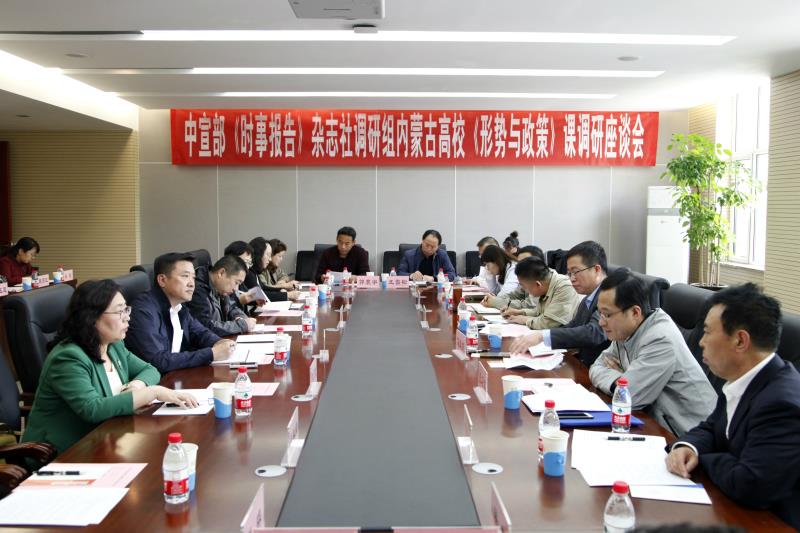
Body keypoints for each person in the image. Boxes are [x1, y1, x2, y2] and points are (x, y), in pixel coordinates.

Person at [666, 283, 800, 530]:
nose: (701, 341)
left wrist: (701, 458)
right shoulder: (744, 379)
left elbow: (751, 484)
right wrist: (688, 446)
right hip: (732, 508)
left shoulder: (782, 403)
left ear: (740, 340)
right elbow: (711, 427)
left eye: (707, 332)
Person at [22, 280, 198, 453]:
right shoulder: (68, 357)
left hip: (107, 440)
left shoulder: (113, 345)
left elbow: (150, 370)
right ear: (92, 318)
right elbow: (92, 409)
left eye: (126, 309)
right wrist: (152, 392)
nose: (127, 317)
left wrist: (137, 386)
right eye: (120, 311)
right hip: (63, 453)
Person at [589, 269, 716, 436]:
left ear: (635, 312)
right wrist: (623, 380)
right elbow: (596, 367)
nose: (601, 322)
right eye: (600, 313)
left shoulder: (660, 338)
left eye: (607, 314)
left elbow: (630, 397)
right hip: (654, 421)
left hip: (688, 434)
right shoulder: (624, 331)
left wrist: (622, 382)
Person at [126, 252, 235, 373]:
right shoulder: (143, 311)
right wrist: (211, 353)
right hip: (157, 380)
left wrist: (219, 342)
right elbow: (157, 361)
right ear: (162, 280)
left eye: (193, 277)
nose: (192, 283)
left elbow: (200, 333)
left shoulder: (179, 305)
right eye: (185, 276)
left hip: (176, 374)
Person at [510, 241, 610, 366]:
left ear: (596, 270)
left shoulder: (610, 296)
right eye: (569, 273)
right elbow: (573, 326)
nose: (572, 278)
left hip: (596, 368)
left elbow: (593, 333)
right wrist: (542, 339)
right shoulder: (588, 298)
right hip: (582, 364)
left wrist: (542, 336)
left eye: (576, 272)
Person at [498, 256, 581, 329]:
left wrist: (525, 320)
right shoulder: (546, 285)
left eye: (524, 287)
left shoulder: (564, 287)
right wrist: (519, 312)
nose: (524, 290)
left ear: (538, 284)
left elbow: (551, 322)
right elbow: (540, 313)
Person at [186, 254, 257, 336]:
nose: (236, 289)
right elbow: (206, 327)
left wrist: (240, 317)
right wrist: (241, 325)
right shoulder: (197, 290)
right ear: (221, 273)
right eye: (236, 282)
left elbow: (232, 307)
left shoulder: (220, 287)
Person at [248, 237, 298, 302]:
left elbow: (264, 288)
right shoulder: (249, 273)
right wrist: (287, 294)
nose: (270, 259)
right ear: (259, 255)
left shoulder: (254, 272)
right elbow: (259, 295)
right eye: (268, 255)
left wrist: (281, 290)